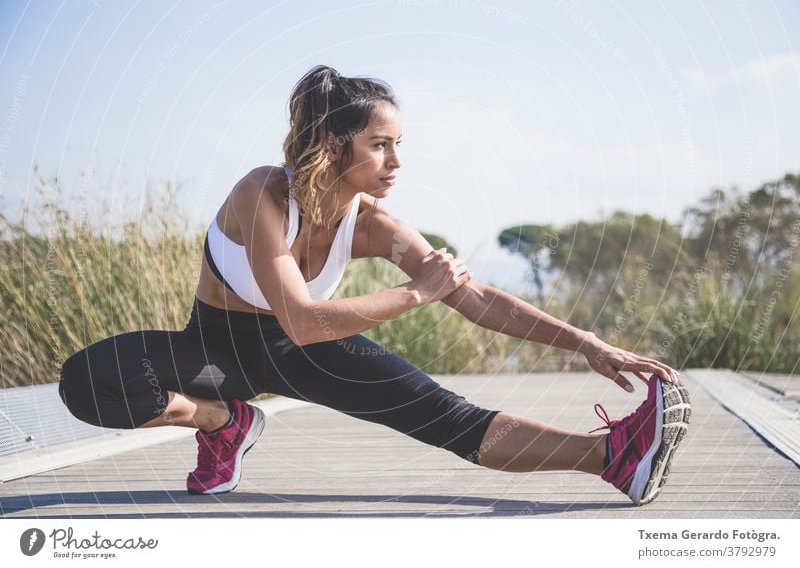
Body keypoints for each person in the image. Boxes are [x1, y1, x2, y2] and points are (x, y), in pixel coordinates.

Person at [58, 65, 691, 506]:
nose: (396, 163)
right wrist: (419, 292)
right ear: (335, 147)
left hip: (305, 354)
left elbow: (475, 299)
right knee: (84, 382)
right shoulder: (263, 195)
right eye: (380, 145)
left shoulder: (375, 227)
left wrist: (582, 340)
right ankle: (223, 422)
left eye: (398, 145)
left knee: (449, 419)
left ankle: (614, 455)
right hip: (216, 356)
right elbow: (304, 316)